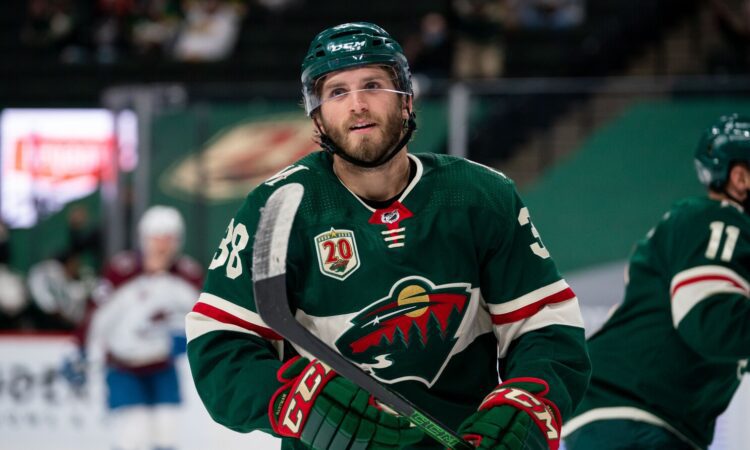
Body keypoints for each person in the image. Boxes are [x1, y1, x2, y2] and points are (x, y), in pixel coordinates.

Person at [186, 22, 590, 450]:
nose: (357, 104)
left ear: (406, 99)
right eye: (337, 92)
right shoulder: (276, 209)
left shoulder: (481, 196)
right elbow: (221, 347)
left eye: (373, 85)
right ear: (317, 116)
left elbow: (544, 325)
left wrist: (524, 407)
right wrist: (300, 402)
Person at [562, 113, 750, 450]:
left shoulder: (710, 229)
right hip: (636, 417)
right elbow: (710, 320)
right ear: (740, 178)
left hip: (632, 416)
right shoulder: (720, 219)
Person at [70, 205, 203, 450]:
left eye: (168, 238)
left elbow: (203, 318)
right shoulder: (122, 270)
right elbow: (97, 313)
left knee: (167, 431)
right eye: (156, 238)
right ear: (144, 238)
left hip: (163, 367)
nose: (162, 246)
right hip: (124, 367)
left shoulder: (187, 274)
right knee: (134, 434)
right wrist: (80, 348)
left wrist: (186, 340)